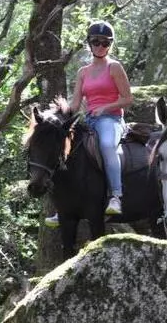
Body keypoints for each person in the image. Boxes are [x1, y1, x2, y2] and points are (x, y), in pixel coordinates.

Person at [46, 20, 132, 227]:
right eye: (96, 42)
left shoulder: (115, 67)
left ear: (110, 45)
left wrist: (106, 107)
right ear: (89, 43)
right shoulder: (83, 72)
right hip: (89, 120)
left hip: (111, 119)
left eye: (105, 42)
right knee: (66, 153)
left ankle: (116, 196)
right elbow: (75, 104)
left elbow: (128, 99)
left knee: (107, 145)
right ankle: (62, 207)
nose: (100, 46)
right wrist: (55, 116)